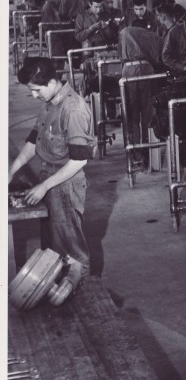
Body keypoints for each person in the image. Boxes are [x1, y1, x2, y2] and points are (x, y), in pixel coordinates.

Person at [9, 57, 96, 302]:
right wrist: (12, 169)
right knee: (53, 246)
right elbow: (34, 138)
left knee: (70, 246)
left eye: (36, 90)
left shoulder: (74, 108)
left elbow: (79, 161)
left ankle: (79, 293)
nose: (34, 95)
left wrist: (44, 186)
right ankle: (60, 285)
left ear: (53, 82)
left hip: (66, 184)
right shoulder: (50, 101)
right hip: (49, 179)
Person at [119, 23, 163, 171]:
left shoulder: (125, 31)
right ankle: (149, 153)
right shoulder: (151, 35)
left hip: (129, 70)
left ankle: (136, 153)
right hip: (147, 69)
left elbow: (120, 54)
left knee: (131, 114)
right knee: (148, 113)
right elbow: (158, 57)